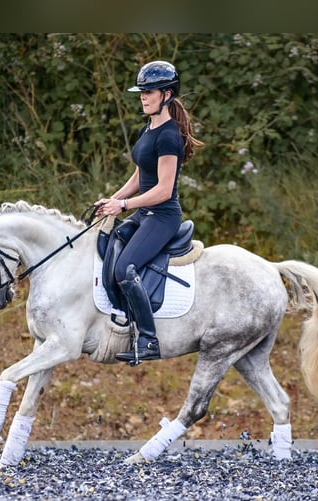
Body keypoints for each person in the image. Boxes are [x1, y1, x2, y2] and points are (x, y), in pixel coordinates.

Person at [96, 60, 203, 364]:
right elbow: (140, 176)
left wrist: (125, 206)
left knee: (124, 268)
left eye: (149, 92)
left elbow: (163, 190)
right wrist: (111, 200)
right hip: (145, 214)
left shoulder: (169, 135)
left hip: (163, 216)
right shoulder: (149, 127)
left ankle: (148, 339)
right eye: (141, 92)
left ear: (167, 95)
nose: (143, 97)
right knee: (110, 242)